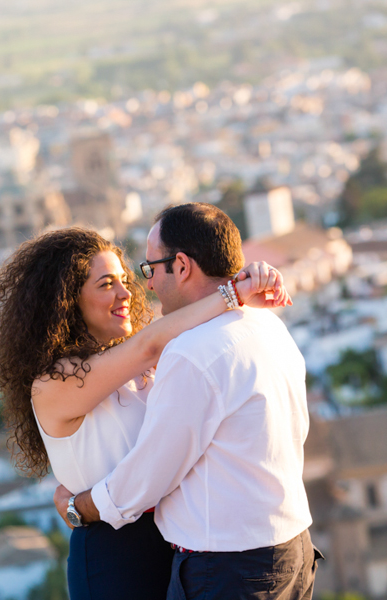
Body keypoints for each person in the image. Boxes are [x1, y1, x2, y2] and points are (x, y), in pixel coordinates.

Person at [0, 224, 289, 600]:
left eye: (123, 280)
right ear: (65, 301)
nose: (126, 293)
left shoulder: (143, 360)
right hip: (115, 556)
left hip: (179, 541)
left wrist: (255, 285)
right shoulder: (53, 383)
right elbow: (152, 343)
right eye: (105, 284)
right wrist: (235, 293)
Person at [54, 203, 321, 600]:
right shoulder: (269, 325)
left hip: (230, 569)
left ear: (181, 266)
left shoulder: (193, 352)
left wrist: (82, 506)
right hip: (294, 550)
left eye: (151, 269)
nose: (146, 286)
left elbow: (149, 474)